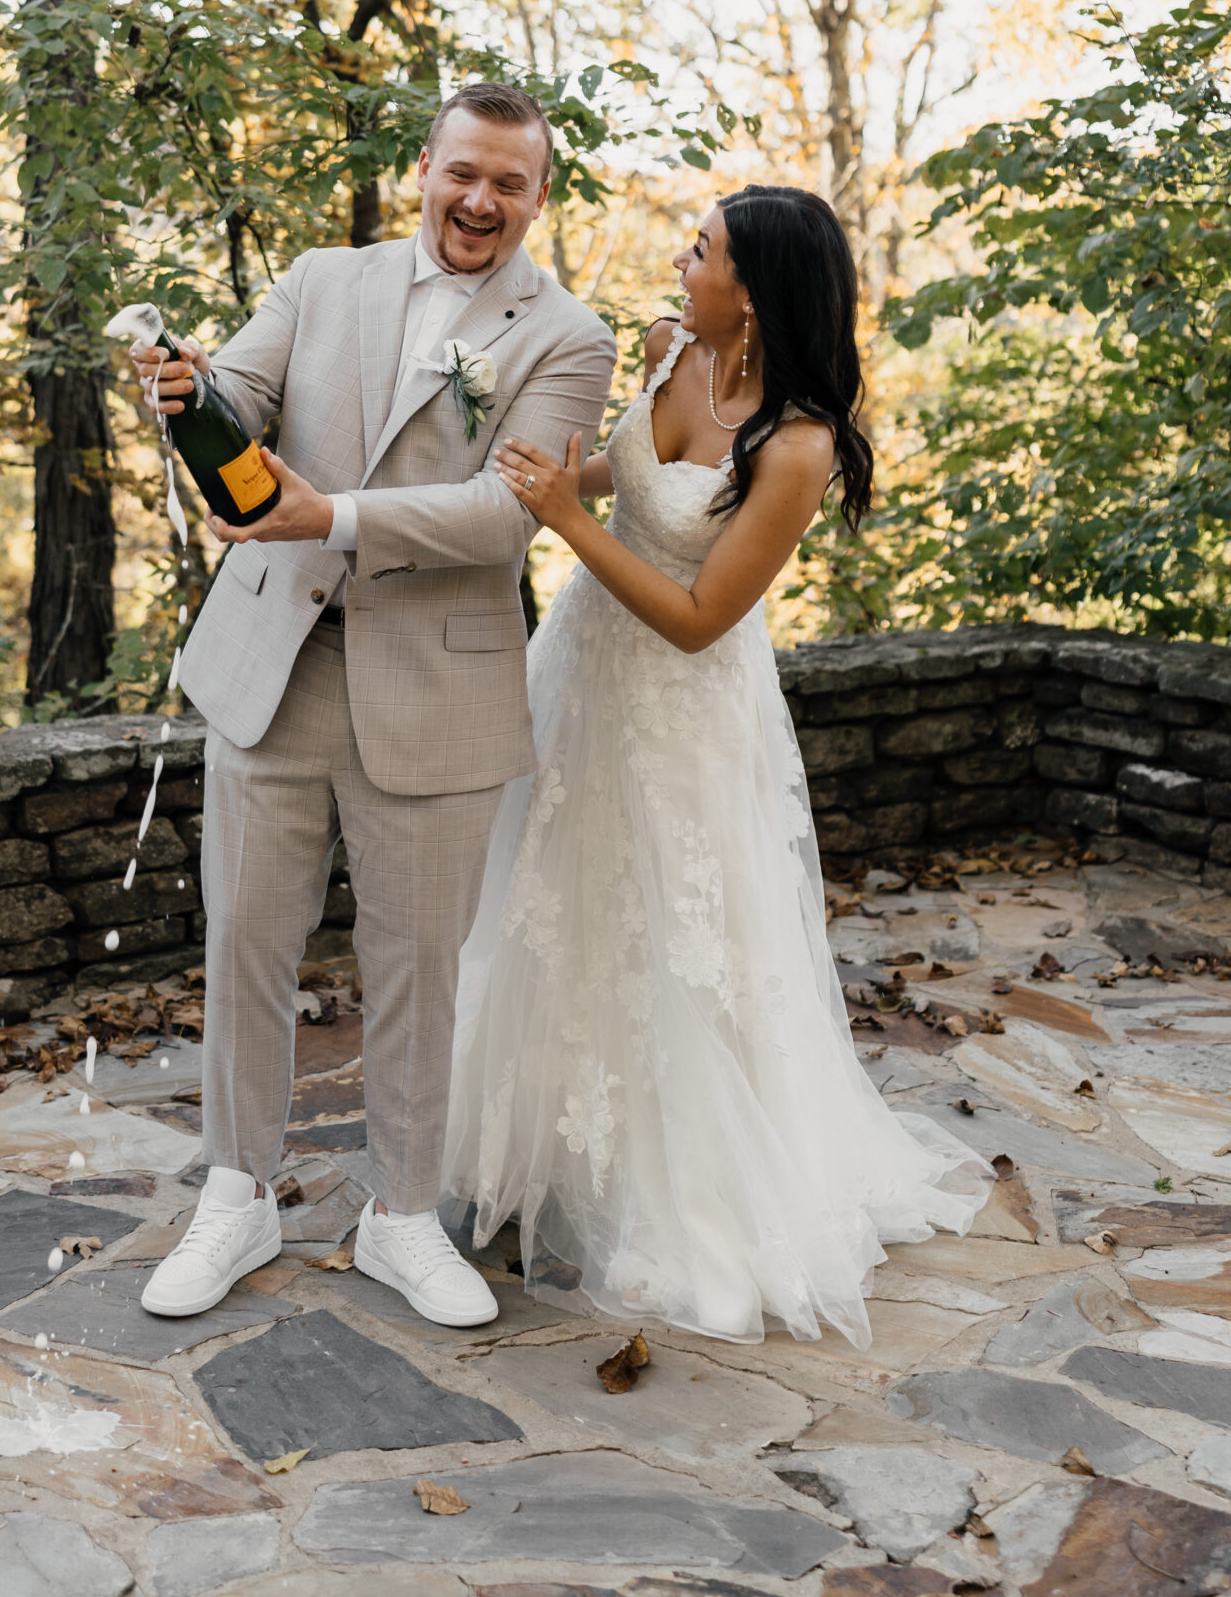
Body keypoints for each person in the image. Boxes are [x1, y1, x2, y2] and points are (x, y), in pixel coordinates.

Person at [443, 185, 989, 1343]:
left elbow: (697, 615)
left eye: (704, 251)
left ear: (756, 289)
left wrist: (567, 523)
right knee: (551, 902)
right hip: (580, 667)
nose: (681, 262)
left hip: (683, 706)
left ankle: (680, 1194)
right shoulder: (667, 346)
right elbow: (619, 481)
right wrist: (528, 465)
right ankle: (533, 1155)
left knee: (675, 935)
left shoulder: (798, 447)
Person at [129, 83, 616, 1328]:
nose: (480, 202)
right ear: (425, 168)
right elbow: (235, 391)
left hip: (439, 679)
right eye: (464, 172)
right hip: (274, 662)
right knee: (245, 939)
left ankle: (403, 1214)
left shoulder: (568, 336)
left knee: (417, 966)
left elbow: (510, 509)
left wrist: (328, 513)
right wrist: (181, 387)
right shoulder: (319, 278)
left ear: (538, 196)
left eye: (510, 183)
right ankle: (235, 1195)